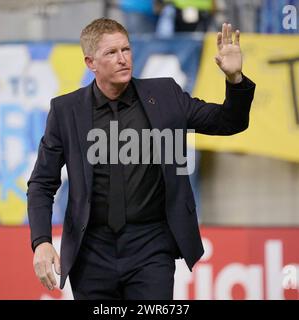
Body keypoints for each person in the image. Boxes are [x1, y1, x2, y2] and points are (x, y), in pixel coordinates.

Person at [27, 18, 255, 300]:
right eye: (111, 53)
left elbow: (229, 122)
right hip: (91, 252)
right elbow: (41, 183)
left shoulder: (165, 94)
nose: (123, 59)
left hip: (151, 247)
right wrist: (41, 241)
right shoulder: (65, 110)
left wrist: (235, 79)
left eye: (126, 49)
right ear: (90, 62)